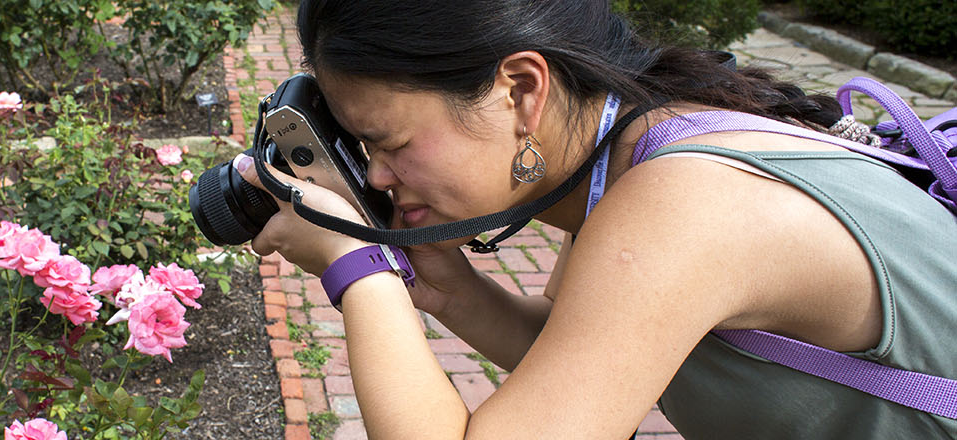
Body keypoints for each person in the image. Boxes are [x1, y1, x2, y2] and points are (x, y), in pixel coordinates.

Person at [230, 0, 957, 438]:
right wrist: (440, 284)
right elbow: (582, 353)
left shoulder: (683, 206)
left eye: (388, 144)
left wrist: (357, 264)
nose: (378, 177)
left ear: (520, 90)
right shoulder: (634, 143)